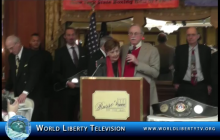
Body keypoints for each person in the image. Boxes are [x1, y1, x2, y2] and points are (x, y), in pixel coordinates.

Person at [2, 35, 43, 121]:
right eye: (8, 49)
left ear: (18, 44)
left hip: (32, 93)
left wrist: (25, 92)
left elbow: (34, 76)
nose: (10, 51)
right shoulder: (11, 57)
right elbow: (12, 75)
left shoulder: (32, 55)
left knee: (32, 120)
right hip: (18, 95)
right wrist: (6, 89)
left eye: (11, 48)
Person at [121, 24, 160, 114]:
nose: (133, 36)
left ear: (142, 35)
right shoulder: (123, 48)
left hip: (143, 93)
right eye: (130, 33)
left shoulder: (152, 50)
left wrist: (138, 63)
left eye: (136, 33)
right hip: (124, 92)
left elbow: (155, 73)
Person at [53, 27, 89, 121]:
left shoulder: (85, 50)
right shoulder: (59, 52)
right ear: (65, 37)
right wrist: (66, 82)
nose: (71, 37)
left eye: (73, 34)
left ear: (76, 36)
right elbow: (56, 72)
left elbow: (88, 69)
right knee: (68, 116)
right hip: (67, 91)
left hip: (83, 90)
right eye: (68, 35)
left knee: (83, 115)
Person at [173, 27, 212, 104]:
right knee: (184, 108)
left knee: (201, 109)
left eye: (193, 35)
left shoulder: (205, 50)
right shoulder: (180, 49)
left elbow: (209, 68)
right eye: (188, 35)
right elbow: (176, 67)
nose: (190, 37)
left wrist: (209, 84)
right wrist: (176, 82)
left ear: (198, 36)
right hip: (185, 85)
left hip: (201, 85)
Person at [29, 33, 53, 121]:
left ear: (40, 42)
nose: (36, 43)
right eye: (33, 41)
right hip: (30, 91)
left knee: (44, 113)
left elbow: (50, 72)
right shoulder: (26, 55)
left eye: (37, 41)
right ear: (30, 42)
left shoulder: (46, 55)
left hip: (44, 90)